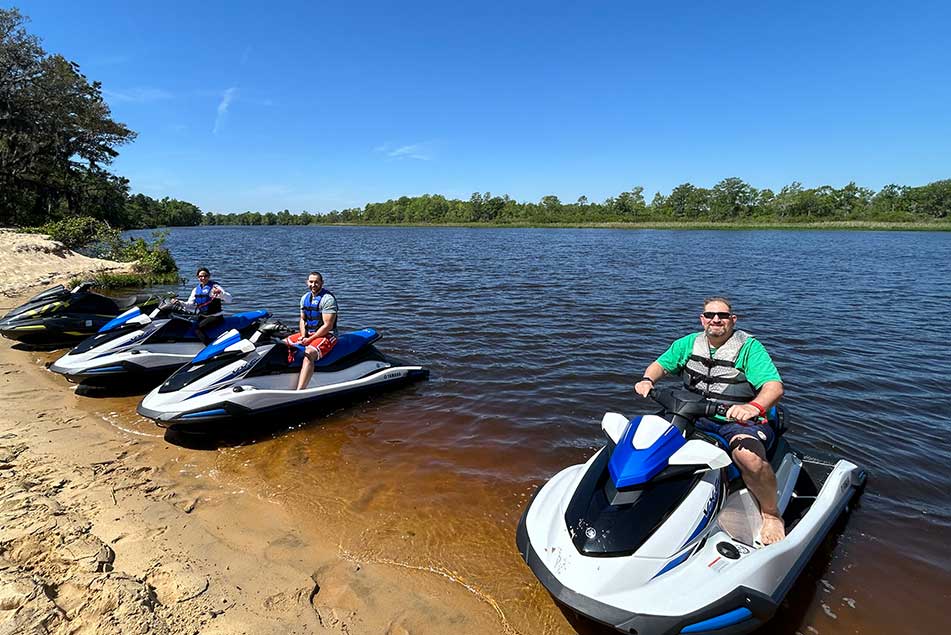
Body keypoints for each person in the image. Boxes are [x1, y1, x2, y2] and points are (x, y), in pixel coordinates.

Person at [633, 296, 786, 544]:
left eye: (723, 316)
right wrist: (648, 380)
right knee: (646, 435)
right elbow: (660, 365)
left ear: (732, 320)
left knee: (749, 458)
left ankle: (771, 514)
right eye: (710, 315)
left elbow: (773, 387)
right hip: (693, 413)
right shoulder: (688, 343)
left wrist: (752, 407)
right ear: (702, 319)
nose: (716, 319)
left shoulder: (749, 348)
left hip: (734, 419)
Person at [292, 271, 338, 390]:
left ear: (322, 283)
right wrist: (303, 336)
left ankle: (300, 390)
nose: (313, 284)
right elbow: (302, 320)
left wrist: (310, 340)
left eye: (316, 282)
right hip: (309, 334)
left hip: (327, 335)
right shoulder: (304, 298)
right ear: (307, 282)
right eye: (311, 282)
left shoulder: (328, 299)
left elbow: (328, 325)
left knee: (308, 354)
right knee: (281, 343)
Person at [181, 267, 232, 344]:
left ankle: (210, 346)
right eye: (200, 276)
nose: (203, 278)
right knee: (188, 322)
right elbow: (190, 304)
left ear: (209, 276)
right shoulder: (196, 290)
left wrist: (220, 293)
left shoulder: (214, 287)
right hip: (203, 316)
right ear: (197, 277)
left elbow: (229, 299)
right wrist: (179, 302)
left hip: (215, 316)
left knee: (197, 329)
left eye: (205, 276)